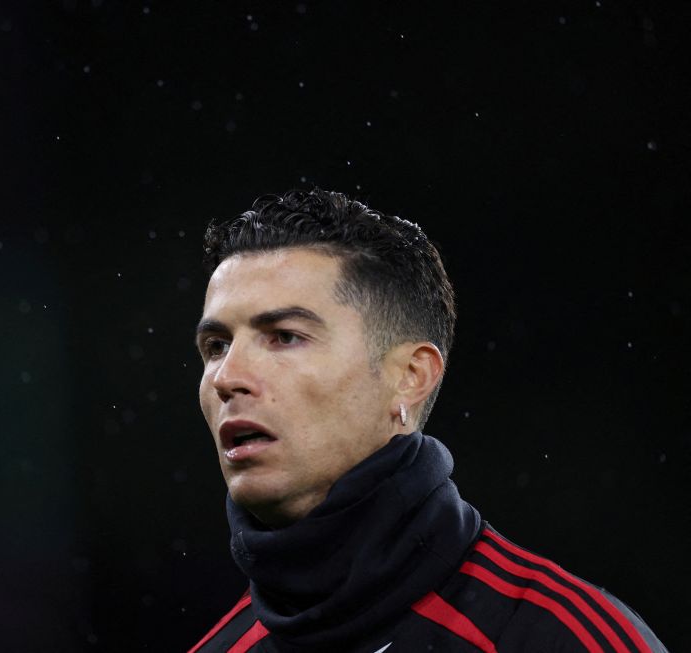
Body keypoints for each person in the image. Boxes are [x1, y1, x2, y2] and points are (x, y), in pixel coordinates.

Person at [187, 189, 667, 653]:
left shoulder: (564, 638)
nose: (227, 377)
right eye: (217, 346)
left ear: (410, 377)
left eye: (285, 337)